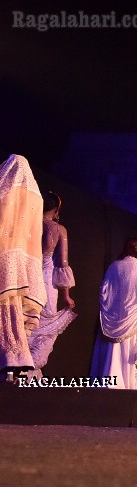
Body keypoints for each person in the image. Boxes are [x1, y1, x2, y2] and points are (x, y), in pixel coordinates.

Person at [0, 155, 46, 377]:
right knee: (14, 313)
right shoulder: (36, 198)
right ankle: (14, 362)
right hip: (24, 265)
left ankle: (10, 362)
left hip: (5, 257)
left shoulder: (6, 190)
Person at [26, 191, 77, 377]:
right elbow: (63, 264)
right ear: (56, 209)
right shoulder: (58, 230)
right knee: (44, 326)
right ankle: (29, 371)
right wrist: (66, 295)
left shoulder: (28, 224)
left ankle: (17, 367)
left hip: (26, 278)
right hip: (45, 282)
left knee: (25, 322)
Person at [91, 236, 137, 389]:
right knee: (129, 351)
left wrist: (112, 307)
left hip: (114, 316)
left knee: (113, 350)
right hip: (133, 315)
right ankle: (127, 383)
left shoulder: (114, 266)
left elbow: (103, 291)